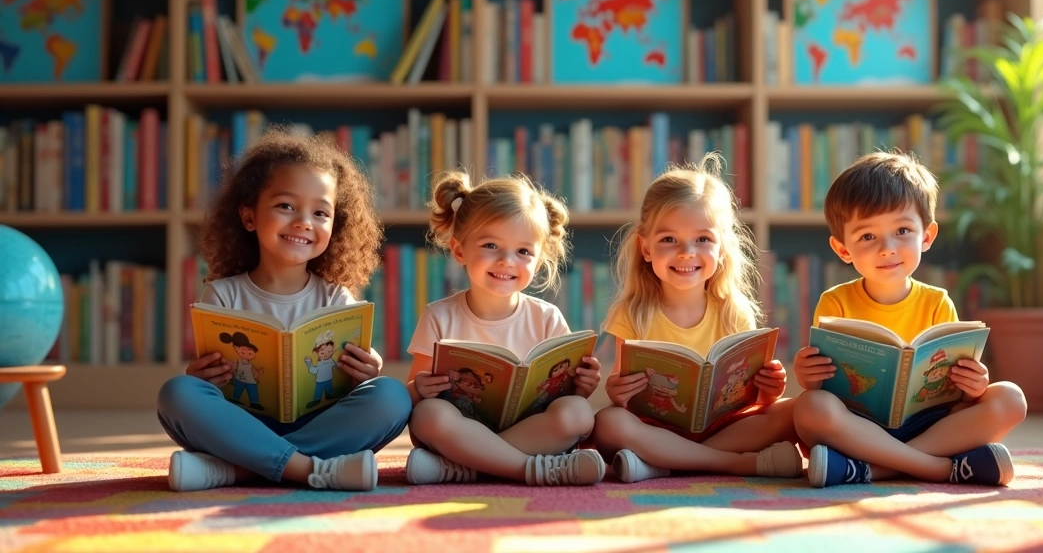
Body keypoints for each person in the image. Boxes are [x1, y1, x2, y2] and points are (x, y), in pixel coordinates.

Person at [157, 130, 411, 492]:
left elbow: (360, 384)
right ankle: (312, 469)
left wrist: (367, 368)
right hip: (244, 424)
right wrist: (199, 376)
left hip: (319, 423)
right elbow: (208, 383)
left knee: (392, 396)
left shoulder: (336, 298)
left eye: (320, 212)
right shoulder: (222, 294)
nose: (304, 222)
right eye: (286, 206)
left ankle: (238, 470)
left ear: (334, 225)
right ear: (249, 217)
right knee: (177, 393)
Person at [792, 151, 1027, 488]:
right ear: (844, 249)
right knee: (809, 407)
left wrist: (974, 385)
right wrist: (808, 376)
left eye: (902, 230)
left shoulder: (937, 302)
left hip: (929, 423)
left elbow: (957, 396)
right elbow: (825, 386)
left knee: (1010, 398)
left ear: (927, 236)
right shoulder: (835, 302)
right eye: (868, 237)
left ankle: (872, 469)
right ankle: (944, 469)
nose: (887, 248)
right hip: (861, 425)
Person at [592, 154, 803, 483]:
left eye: (703, 239)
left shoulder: (734, 312)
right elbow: (624, 400)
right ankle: (733, 465)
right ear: (645, 249)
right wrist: (618, 392)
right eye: (668, 240)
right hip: (657, 429)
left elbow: (753, 399)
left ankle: (663, 466)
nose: (686, 253)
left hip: (722, 428)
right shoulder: (632, 312)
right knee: (607, 424)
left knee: (794, 411)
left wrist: (769, 389)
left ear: (722, 249)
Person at [404, 170, 605, 486]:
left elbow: (563, 394)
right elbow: (414, 395)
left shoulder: (547, 317)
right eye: (490, 245)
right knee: (430, 416)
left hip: (522, 432)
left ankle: (463, 468)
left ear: (538, 261)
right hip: (459, 430)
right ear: (459, 251)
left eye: (523, 251)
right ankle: (530, 469)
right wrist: (419, 388)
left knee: (578, 412)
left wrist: (583, 385)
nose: (507, 261)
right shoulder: (439, 316)